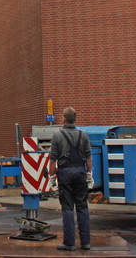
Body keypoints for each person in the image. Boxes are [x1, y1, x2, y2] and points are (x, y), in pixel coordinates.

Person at [49, 107, 93, 251]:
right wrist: (89, 174)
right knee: (82, 206)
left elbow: (53, 160)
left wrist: (51, 177)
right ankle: (86, 243)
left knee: (67, 208)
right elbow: (88, 158)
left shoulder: (57, 136)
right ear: (75, 119)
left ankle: (69, 243)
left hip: (65, 173)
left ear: (63, 119)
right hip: (80, 172)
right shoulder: (84, 135)